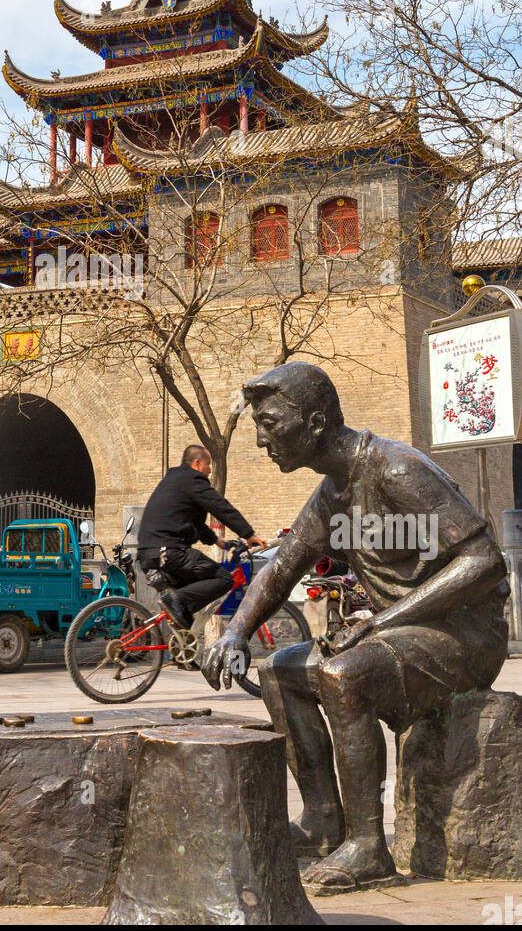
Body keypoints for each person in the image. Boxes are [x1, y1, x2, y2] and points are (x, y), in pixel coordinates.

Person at [203, 362, 509, 895]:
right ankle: (324, 823)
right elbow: (280, 569)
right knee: (280, 671)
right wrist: (235, 632)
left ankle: (369, 847)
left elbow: (483, 561)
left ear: (316, 422)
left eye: (271, 424)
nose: (259, 439)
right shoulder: (331, 494)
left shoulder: (396, 469)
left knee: (343, 675)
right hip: (404, 637)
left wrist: (380, 622)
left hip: (466, 635)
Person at [137, 443, 266, 628]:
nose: (210, 471)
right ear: (197, 463)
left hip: (151, 553)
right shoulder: (192, 479)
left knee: (184, 615)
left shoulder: (175, 480)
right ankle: (175, 600)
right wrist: (248, 533)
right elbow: (220, 506)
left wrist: (217, 541)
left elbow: (191, 521)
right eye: (208, 465)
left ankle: (183, 653)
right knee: (223, 579)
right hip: (170, 552)